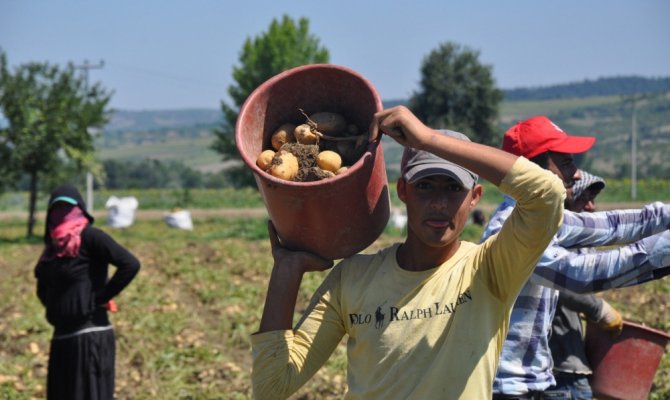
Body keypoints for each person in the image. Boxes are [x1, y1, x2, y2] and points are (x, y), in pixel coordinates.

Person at [251, 105, 566, 399]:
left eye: (453, 188)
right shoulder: (353, 277)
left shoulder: (489, 270)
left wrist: (428, 139)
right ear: (403, 191)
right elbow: (272, 385)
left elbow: (546, 193)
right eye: (426, 186)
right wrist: (287, 270)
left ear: (474, 197)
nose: (439, 203)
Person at [480, 116, 670, 399]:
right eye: (566, 163)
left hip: (533, 384)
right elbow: (583, 273)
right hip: (507, 389)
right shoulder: (509, 227)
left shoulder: (545, 218)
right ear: (531, 171)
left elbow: (617, 225)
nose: (578, 174)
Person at [34, 184, 141, 400]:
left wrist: (98, 299)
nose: (62, 214)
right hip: (62, 338)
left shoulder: (90, 237)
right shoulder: (52, 250)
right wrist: (58, 308)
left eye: (68, 208)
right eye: (57, 209)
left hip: (90, 336)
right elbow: (42, 283)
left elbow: (129, 264)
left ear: (80, 210)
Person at [547, 170, 623, 400]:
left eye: (593, 200)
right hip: (561, 368)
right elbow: (557, 285)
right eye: (583, 199)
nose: (591, 206)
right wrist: (598, 309)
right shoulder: (553, 243)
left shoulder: (568, 241)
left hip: (563, 368)